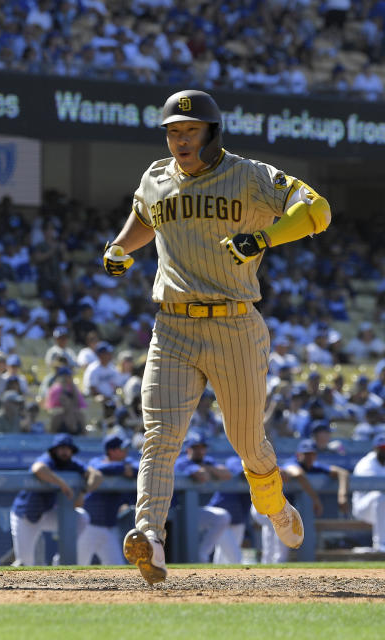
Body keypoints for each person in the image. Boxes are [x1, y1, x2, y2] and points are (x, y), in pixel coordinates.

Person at [102, 89, 330, 584]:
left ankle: (275, 507)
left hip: (234, 324)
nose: (180, 140)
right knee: (160, 437)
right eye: (172, 131)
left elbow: (318, 210)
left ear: (211, 132)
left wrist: (265, 237)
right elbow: (147, 214)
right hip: (173, 325)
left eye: (189, 131)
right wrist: (122, 245)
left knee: (247, 442)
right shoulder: (156, 176)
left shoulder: (248, 175)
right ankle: (150, 538)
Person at [9, 434, 101, 566]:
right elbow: (38, 469)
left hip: (46, 513)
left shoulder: (71, 464)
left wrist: (83, 493)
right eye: (61, 448)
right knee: (25, 563)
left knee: (82, 517)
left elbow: (96, 475)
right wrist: (62, 484)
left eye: (68, 448)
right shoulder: (49, 460)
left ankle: (60, 561)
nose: (65, 452)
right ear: (54, 450)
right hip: (26, 516)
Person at [255, 439, 350, 564]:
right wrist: (316, 500)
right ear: (299, 455)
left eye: (312, 454)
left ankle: (267, 572)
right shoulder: (292, 463)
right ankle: (270, 571)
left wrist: (342, 494)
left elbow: (342, 473)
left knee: (274, 544)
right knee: (278, 544)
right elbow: (298, 474)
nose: (309, 457)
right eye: (306, 454)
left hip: (277, 507)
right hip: (265, 503)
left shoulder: (314, 466)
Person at [173, 431, 232, 562]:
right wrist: (210, 470)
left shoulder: (207, 461)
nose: (200, 451)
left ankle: (202, 553)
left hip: (195, 511)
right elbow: (202, 476)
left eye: (202, 447)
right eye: (196, 447)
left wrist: (207, 468)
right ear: (188, 449)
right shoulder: (181, 462)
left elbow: (227, 474)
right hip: (177, 513)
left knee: (222, 517)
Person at [78, 433, 136, 565]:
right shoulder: (96, 461)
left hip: (109, 527)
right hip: (89, 527)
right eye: (122, 449)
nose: (126, 451)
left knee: (117, 566)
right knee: (77, 564)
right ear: (111, 451)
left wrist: (123, 469)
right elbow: (99, 468)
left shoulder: (127, 462)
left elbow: (139, 469)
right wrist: (122, 469)